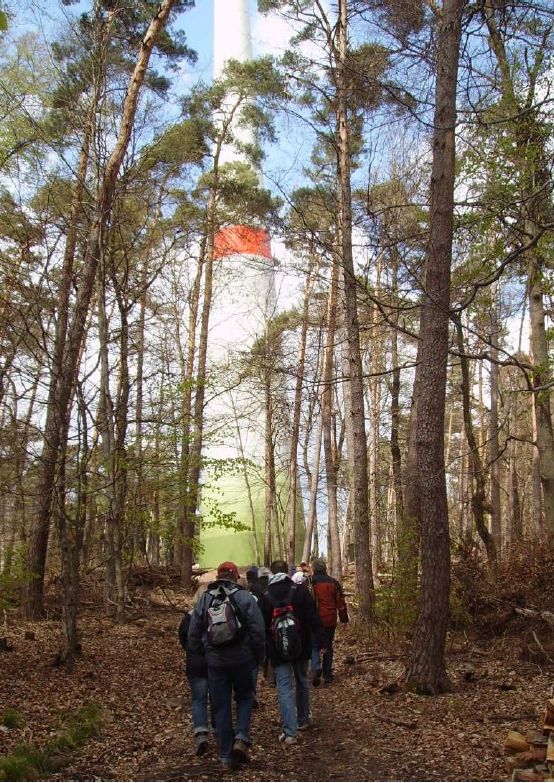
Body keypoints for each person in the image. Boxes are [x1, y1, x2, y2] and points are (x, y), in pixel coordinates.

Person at [187, 561, 266, 771]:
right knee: (244, 698)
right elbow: (258, 630)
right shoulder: (245, 597)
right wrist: (259, 657)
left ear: (218, 576)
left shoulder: (205, 599)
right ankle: (241, 738)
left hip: (215, 662)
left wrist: (199, 654)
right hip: (242, 659)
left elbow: (193, 631)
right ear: (235, 577)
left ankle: (225, 756)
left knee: (220, 706)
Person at [262, 559, 324, 745]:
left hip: (278, 651)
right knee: (302, 680)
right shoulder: (300, 591)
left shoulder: (267, 595)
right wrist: (321, 642)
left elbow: (262, 627)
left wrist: (265, 651)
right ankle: (303, 719)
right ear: (287, 573)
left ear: (272, 573)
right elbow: (314, 618)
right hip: (301, 646)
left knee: (284, 688)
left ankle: (290, 732)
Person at [178, 609, 214, 756]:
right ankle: (219, 731)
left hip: (195, 663)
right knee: (217, 697)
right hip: (214, 661)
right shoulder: (218, 613)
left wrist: (191, 651)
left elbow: (182, 638)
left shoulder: (188, 617)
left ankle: (201, 734)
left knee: (199, 700)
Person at [310, 558, 349, 686]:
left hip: (314, 620)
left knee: (314, 645)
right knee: (327, 646)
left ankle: (316, 668)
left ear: (314, 568)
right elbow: (341, 603)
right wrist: (344, 619)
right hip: (329, 620)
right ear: (325, 568)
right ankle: (327, 675)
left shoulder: (310, 583)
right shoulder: (333, 583)